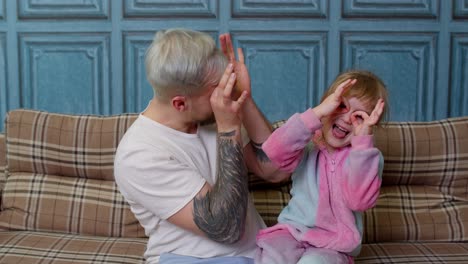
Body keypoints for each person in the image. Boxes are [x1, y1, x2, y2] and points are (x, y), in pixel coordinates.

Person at [114, 28, 287, 264]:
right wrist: (228, 130)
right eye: (216, 89)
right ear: (180, 103)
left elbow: (275, 170)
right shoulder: (139, 154)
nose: (224, 93)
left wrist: (243, 97)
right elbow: (227, 227)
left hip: (261, 255)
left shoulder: (216, 113)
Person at [255, 70, 388, 264]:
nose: (347, 118)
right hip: (293, 233)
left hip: (334, 245)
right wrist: (316, 113)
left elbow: (358, 202)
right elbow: (275, 151)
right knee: (270, 257)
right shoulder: (306, 142)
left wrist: (362, 144)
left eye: (359, 117)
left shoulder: (366, 157)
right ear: (328, 103)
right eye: (341, 106)